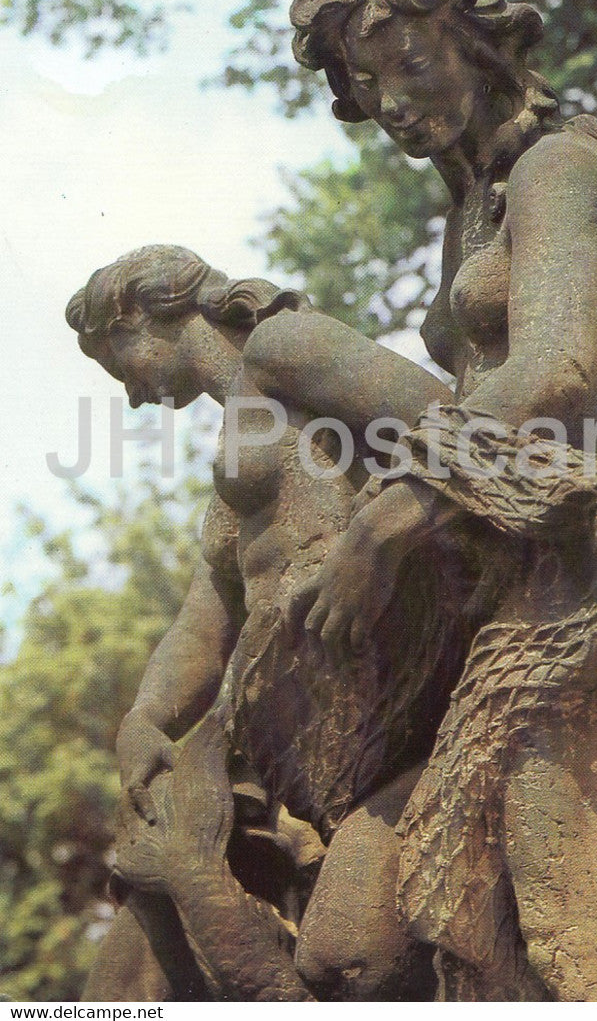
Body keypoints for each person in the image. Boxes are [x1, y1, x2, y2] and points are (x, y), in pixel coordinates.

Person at [270, 0, 597, 1000]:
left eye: (410, 61)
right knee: (408, 936)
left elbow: (557, 369)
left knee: (583, 955)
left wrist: (394, 517)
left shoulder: (563, 168)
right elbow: (478, 393)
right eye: (365, 80)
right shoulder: (473, 202)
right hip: (507, 572)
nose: (387, 98)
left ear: (477, 43)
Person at [66, 244, 463, 1000]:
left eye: (120, 368)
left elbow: (461, 431)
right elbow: (206, 614)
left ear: (138, 317)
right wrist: (146, 717)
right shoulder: (238, 461)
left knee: (348, 958)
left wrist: (375, 539)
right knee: (151, 933)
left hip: (399, 718)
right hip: (303, 751)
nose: (133, 396)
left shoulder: (286, 345)